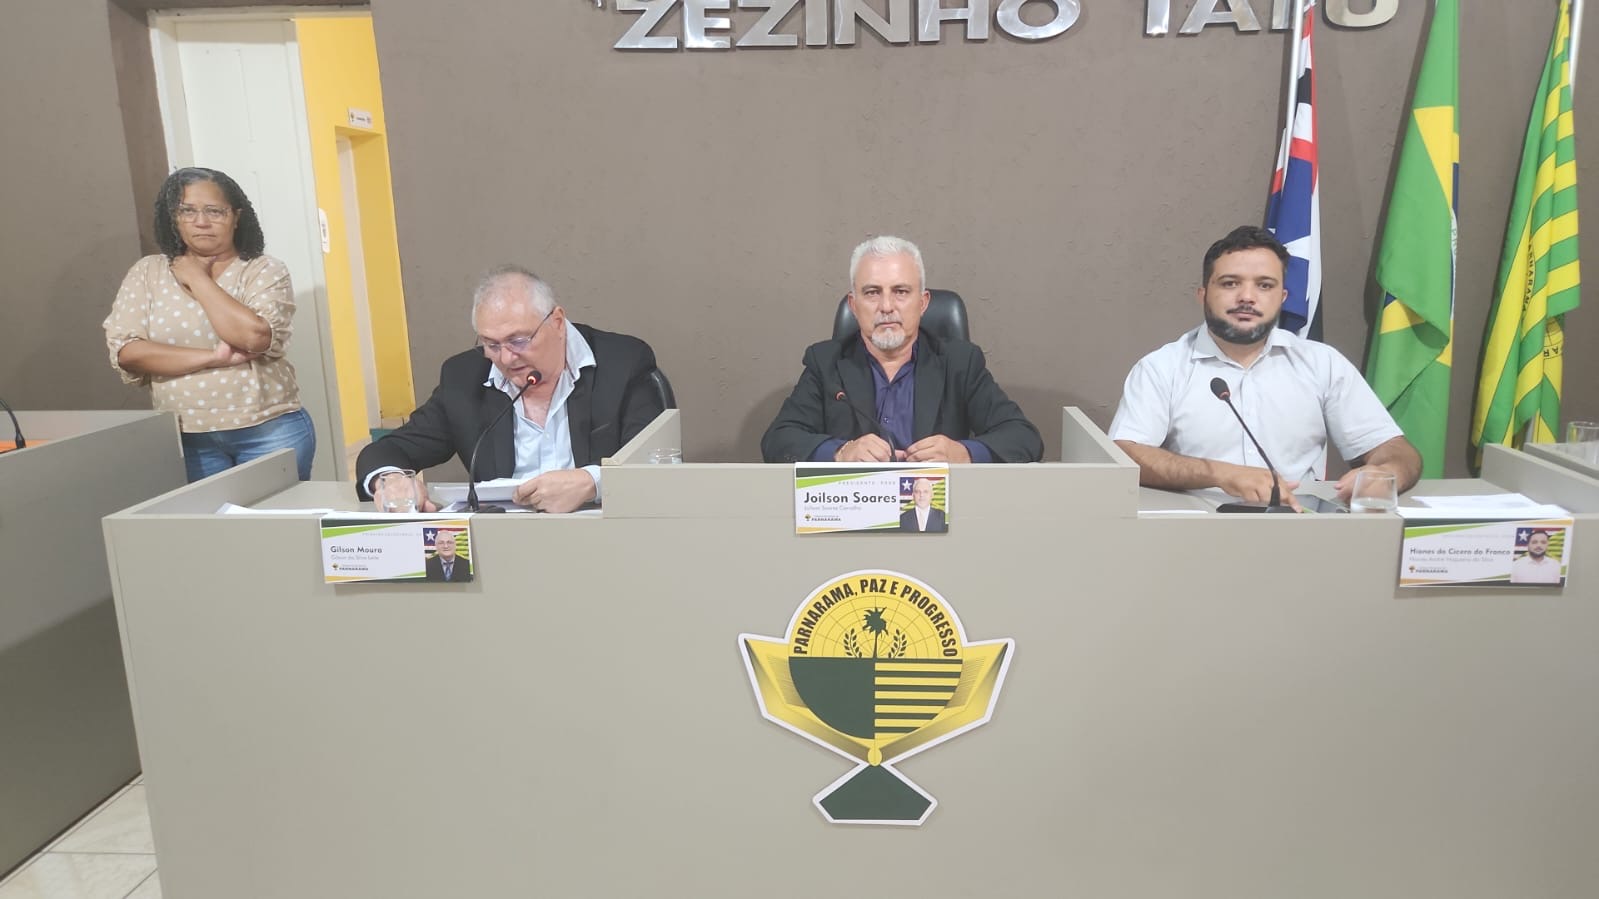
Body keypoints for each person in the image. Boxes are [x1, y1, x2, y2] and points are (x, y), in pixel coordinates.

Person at [1108, 226, 1421, 508]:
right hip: (1198, 531)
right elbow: (1125, 452)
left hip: (1299, 527)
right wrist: (1219, 473)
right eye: (1230, 283)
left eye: (1264, 285)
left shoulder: (1322, 363)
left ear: (1282, 297)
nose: (1247, 297)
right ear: (1203, 295)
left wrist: (1387, 473)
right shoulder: (1162, 367)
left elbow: (1396, 450)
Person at [357, 266, 664, 513]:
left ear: (557, 322)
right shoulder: (465, 378)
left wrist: (591, 482)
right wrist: (391, 480)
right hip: (502, 545)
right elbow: (387, 450)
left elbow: (655, 464)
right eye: (491, 344)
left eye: (518, 341)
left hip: (604, 536)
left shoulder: (622, 363)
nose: (505, 358)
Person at [105, 167, 316, 482]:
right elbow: (128, 353)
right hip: (186, 437)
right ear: (173, 218)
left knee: (275, 515)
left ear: (236, 216)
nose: (201, 221)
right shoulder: (147, 272)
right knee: (205, 517)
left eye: (214, 211)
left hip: (268, 431)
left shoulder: (263, 269)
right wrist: (213, 358)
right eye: (187, 211)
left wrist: (195, 277)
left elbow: (254, 337)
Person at [761, 236, 1042, 464]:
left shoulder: (961, 363)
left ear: (922, 303)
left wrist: (964, 453)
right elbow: (778, 440)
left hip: (939, 512)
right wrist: (840, 452)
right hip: (856, 511)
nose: (886, 306)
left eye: (901, 292)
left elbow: (1023, 437)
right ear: (853, 305)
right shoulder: (825, 363)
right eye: (872, 292)